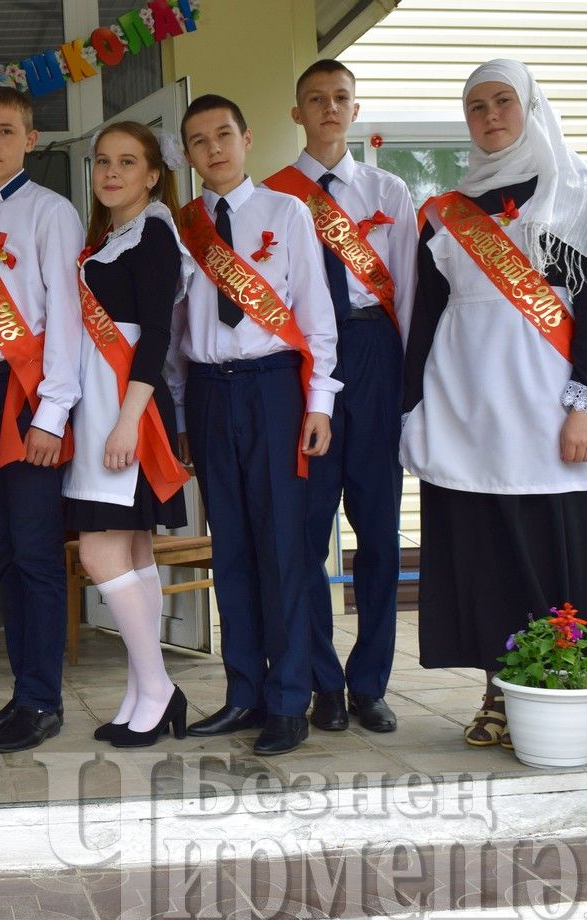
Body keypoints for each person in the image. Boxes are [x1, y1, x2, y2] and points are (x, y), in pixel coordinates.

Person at [401, 60, 587, 748]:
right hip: (465, 409)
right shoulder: (445, 213)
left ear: (531, 107)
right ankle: (497, 693)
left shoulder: (576, 195)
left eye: (503, 101)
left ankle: (559, 695)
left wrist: (586, 402)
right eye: (476, 106)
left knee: (551, 554)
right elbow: (426, 320)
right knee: (483, 559)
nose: (490, 114)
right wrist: (411, 408)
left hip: (546, 410)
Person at [171, 94, 339, 757]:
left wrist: (320, 401)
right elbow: (178, 333)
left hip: (274, 390)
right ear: (186, 154)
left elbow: (316, 311)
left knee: (283, 550)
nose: (212, 148)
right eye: (197, 140)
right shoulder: (184, 226)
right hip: (211, 393)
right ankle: (243, 693)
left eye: (223, 135)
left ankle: (289, 699)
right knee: (232, 549)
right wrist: (183, 412)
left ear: (245, 138)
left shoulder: (286, 212)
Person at [264, 59, 419, 736]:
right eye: (315, 99)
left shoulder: (390, 191)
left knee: (379, 532)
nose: (330, 108)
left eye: (341, 98)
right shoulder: (274, 196)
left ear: (356, 110)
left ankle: (370, 683)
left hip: (375, 353)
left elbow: (410, 295)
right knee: (304, 533)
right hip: (305, 371)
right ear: (296, 113)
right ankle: (323, 682)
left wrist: (410, 391)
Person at [0, 84, 84, 754]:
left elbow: (65, 314)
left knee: (34, 554)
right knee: (0, 554)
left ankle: (43, 700)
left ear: (30, 139)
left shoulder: (51, 212)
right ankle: (20, 694)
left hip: (28, 394)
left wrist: (53, 411)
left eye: (6, 129)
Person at [66, 122, 192, 749]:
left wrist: (124, 420)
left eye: (127, 162)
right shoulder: (112, 237)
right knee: (134, 551)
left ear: (152, 174)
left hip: (126, 412)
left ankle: (156, 686)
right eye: (102, 162)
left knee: (99, 551)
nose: (111, 173)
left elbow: (158, 339)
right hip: (102, 407)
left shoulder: (155, 236)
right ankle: (148, 690)